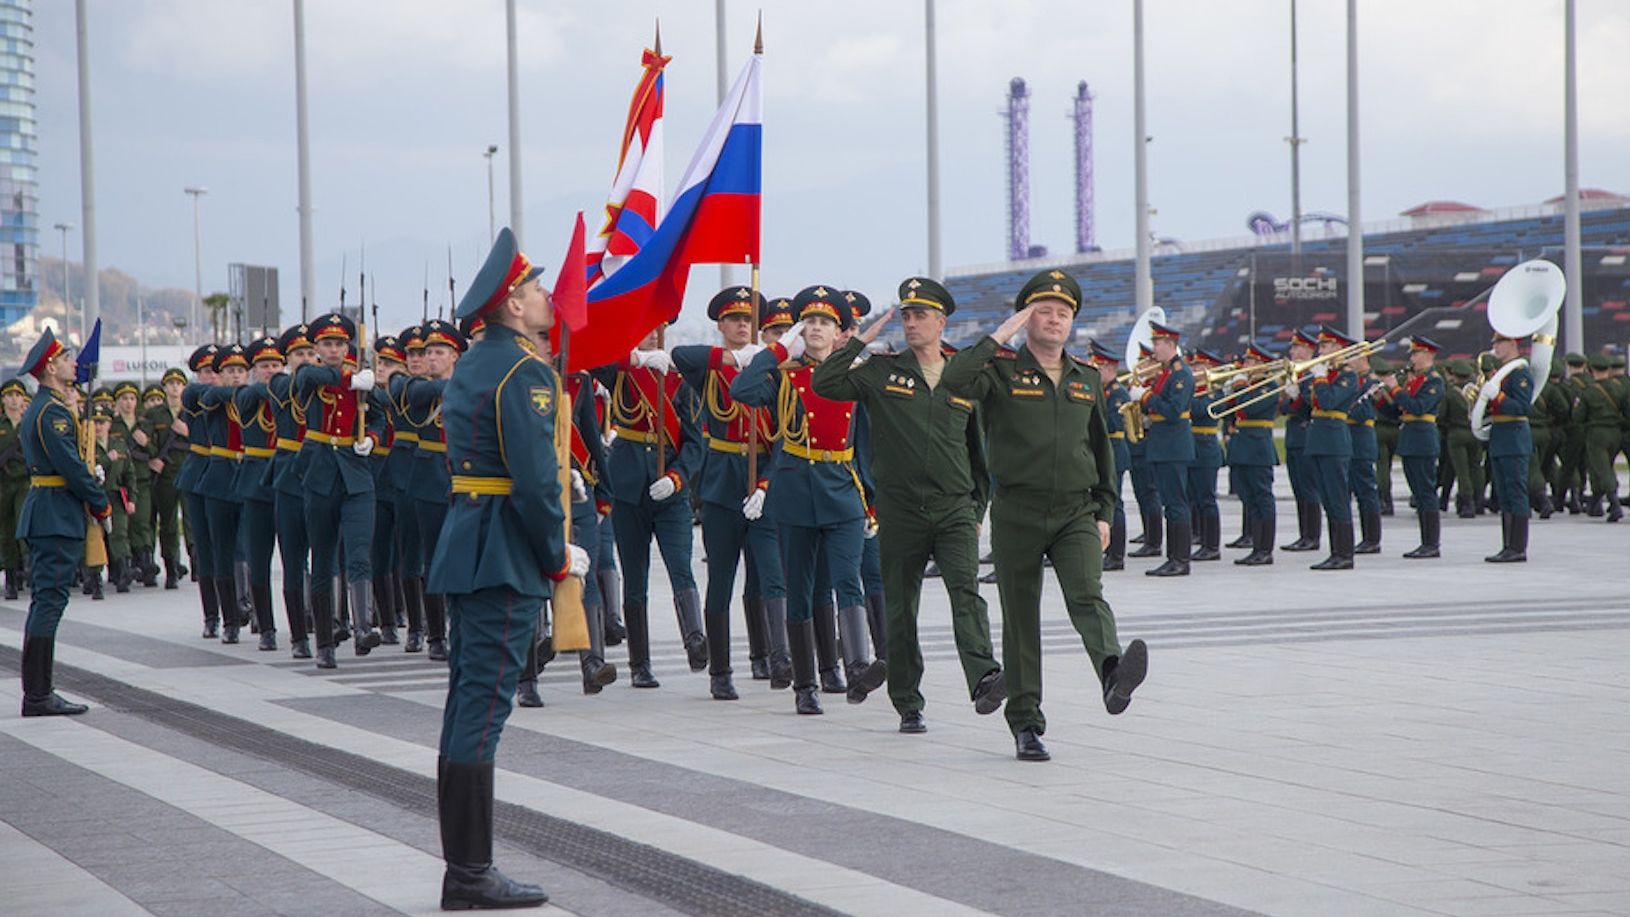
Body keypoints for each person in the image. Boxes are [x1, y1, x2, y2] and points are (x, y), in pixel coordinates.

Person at [429, 226, 582, 910]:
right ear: (513, 304)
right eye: (536, 288)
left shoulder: (473, 361)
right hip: (504, 553)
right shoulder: (526, 371)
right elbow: (533, 483)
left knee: (468, 705)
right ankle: (469, 875)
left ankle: (467, 869)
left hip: (471, 542)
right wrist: (556, 555)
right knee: (482, 711)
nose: (547, 296)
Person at [939, 269, 1147, 762]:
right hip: (1018, 511)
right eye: (1044, 312)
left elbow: (1101, 449)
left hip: (1076, 509)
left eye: (1063, 313)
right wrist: (1000, 335)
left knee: (1087, 593)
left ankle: (1113, 674)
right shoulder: (1000, 373)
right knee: (1021, 620)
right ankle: (1027, 724)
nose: (1054, 320)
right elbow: (953, 378)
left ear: (1072, 322)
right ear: (1027, 317)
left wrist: (1105, 510)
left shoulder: (1086, 378)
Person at [810, 276, 1003, 733]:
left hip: (954, 508)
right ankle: (907, 701)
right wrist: (858, 341)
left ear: (941, 322)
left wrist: (976, 511)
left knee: (966, 594)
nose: (912, 322)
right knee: (901, 608)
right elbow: (825, 383)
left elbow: (980, 456)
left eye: (921, 315)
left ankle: (984, 678)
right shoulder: (881, 372)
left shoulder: (963, 377)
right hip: (900, 511)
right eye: (907, 314)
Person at [731, 285, 889, 715]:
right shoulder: (784, 376)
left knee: (846, 579)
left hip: (842, 490)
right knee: (799, 590)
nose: (816, 328)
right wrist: (775, 351)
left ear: (839, 333)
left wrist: (871, 503)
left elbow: (866, 447)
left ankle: (856, 666)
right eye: (809, 322)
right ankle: (805, 683)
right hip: (796, 489)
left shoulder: (854, 378)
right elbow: (741, 390)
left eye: (825, 322)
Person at [671, 285, 788, 699]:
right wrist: (732, 358)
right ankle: (720, 671)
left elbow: (784, 433)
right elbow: (680, 357)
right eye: (734, 319)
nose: (742, 325)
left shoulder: (771, 369)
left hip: (761, 484)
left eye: (749, 319)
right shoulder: (709, 368)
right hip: (721, 484)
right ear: (720, 325)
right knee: (720, 578)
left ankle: (779, 658)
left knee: (773, 576)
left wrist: (767, 482)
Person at [593, 327, 706, 689]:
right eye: (644, 329)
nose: (654, 336)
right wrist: (636, 358)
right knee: (635, 578)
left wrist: (676, 477)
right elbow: (594, 359)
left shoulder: (681, 381)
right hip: (628, 488)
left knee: (680, 568)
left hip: (669, 492)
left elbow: (694, 443)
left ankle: (695, 638)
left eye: (659, 329)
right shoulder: (621, 373)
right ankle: (639, 663)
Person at [16, 328, 111, 716]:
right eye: (68, 359)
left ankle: (38, 692)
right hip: (55, 513)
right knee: (49, 603)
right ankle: (38, 695)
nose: (75, 364)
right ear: (51, 367)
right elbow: (70, 466)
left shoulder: (46, 406)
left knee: (46, 601)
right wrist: (100, 502)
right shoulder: (51, 411)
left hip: (50, 510)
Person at [293, 312, 385, 668]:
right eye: (327, 344)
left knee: (360, 551)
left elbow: (380, 416)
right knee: (323, 557)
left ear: (348, 346)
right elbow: (309, 377)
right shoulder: (309, 374)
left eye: (339, 344)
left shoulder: (360, 381)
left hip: (356, 472)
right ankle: (325, 642)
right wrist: (351, 377)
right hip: (319, 471)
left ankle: (363, 627)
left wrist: (372, 438)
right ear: (316, 347)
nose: (334, 349)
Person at [263, 324, 314, 657]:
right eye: (299, 354)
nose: (307, 359)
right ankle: (298, 635)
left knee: (325, 561)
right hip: (290, 477)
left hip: (323, 476)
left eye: (311, 352)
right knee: (293, 561)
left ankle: (326, 624)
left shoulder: (328, 385)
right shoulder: (282, 383)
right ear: (287, 359)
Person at [233, 335, 286, 650]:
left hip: (285, 477)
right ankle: (265, 625)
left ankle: (303, 618)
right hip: (256, 481)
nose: (271, 370)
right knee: (258, 557)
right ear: (254, 369)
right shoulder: (247, 393)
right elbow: (253, 395)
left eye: (276, 364)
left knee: (295, 558)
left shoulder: (290, 394)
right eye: (265, 365)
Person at [1135, 320, 1194, 577]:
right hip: (1162, 445)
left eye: (1158, 343)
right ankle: (1173, 557)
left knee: (1176, 503)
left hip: (1173, 446)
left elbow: (1173, 410)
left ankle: (1180, 559)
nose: (1154, 349)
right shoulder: (1166, 373)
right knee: (1169, 503)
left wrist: (1147, 398)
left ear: (1171, 344)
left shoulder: (1180, 374)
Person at [1305, 328, 1359, 570]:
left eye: (1326, 346)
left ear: (1339, 349)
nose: (1320, 351)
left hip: (1334, 442)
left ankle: (1345, 554)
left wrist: (1319, 378)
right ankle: (1335, 551)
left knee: (1337, 499)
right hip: (1319, 441)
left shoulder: (1348, 376)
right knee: (1327, 499)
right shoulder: (1329, 375)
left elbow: (1328, 402)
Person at [178, 345, 223, 635]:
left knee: (235, 547)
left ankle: (242, 606)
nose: (212, 378)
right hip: (198, 472)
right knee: (204, 548)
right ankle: (211, 616)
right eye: (206, 371)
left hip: (227, 473)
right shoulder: (195, 394)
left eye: (217, 372)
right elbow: (196, 396)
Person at [1388, 337, 1446, 558]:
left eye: (1416, 354)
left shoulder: (1434, 381)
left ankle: (1432, 543)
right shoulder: (1414, 381)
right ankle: (1425, 542)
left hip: (1423, 440)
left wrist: (1395, 390)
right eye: (1412, 354)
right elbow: (1399, 411)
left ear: (1429, 355)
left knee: (1426, 493)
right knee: (1419, 494)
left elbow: (1419, 407)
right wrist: (1382, 399)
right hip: (1411, 440)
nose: (1412, 358)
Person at [1222, 344, 1280, 566]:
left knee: (1262, 498)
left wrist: (1238, 387)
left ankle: (1265, 549)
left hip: (1258, 448)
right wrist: (1229, 392)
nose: (1246, 366)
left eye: (1251, 362)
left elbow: (1251, 407)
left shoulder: (1268, 387)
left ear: (1263, 365)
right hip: (1243, 447)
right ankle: (1256, 546)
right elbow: (1223, 411)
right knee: (1250, 499)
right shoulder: (1248, 386)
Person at [1483, 332, 1537, 560]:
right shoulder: (1501, 373)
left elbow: (1523, 407)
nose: (1495, 346)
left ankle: (1518, 547)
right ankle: (1508, 545)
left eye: (1499, 342)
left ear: (1512, 343)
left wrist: (1499, 397)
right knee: (1504, 494)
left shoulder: (1519, 373)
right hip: (1500, 436)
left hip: (1514, 436)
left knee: (1516, 492)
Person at [142, 368, 190, 589]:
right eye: (170, 384)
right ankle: (171, 568)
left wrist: (187, 431)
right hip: (166, 474)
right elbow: (146, 441)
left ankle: (197, 564)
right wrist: (153, 458)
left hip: (190, 470)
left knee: (192, 521)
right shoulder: (155, 414)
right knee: (169, 523)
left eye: (178, 384)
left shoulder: (192, 412)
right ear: (164, 388)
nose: (174, 387)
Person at [1086, 342, 1131, 570]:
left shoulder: (1118, 394)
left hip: (1115, 449)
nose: (1095, 372)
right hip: (1104, 450)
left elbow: (1113, 423)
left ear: (1111, 369)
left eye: (1099, 367)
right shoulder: (1104, 392)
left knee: (1115, 504)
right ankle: (1107, 551)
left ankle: (1117, 555)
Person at [1185, 348, 1225, 562]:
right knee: (1194, 497)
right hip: (1192, 447)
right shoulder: (1196, 389)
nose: (1195, 370)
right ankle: (1200, 537)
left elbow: (1199, 410)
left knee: (1207, 498)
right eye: (1194, 366)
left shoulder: (1214, 392)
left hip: (1206, 447)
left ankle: (1212, 545)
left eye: (1200, 366)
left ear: (1210, 368)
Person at [1574, 353, 1623, 523]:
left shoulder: (1589, 391)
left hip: (1597, 434)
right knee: (1606, 467)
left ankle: (1614, 503)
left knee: (1602, 469)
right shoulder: (1619, 388)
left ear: (1591, 370)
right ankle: (1596, 504)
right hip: (1616, 433)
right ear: (1608, 370)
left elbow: (1578, 417)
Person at [1347, 349, 1383, 554]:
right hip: (1350, 439)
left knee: (1366, 492)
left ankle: (1372, 538)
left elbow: (1363, 412)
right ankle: (1364, 537)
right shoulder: (1357, 381)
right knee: (1354, 490)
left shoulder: (1371, 382)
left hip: (1361, 440)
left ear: (1362, 358)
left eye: (1351, 357)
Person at [1, 377, 30, 599]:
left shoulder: (29, 424)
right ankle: (11, 578)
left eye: (18, 395)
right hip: (3, 484)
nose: (14, 400)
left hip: (25, 482)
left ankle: (29, 570)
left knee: (24, 525)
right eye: (9, 395)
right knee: (6, 531)